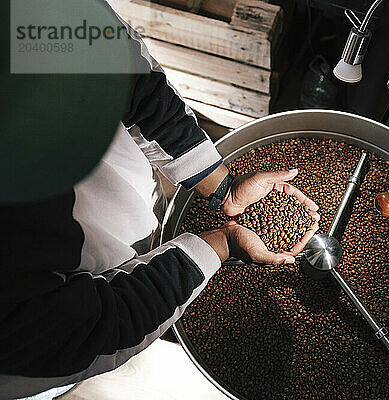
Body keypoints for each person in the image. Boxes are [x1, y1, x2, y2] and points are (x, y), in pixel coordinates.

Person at [0, 2, 319, 398]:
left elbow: (130, 77)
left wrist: (220, 185)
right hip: (67, 335)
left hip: (122, 207)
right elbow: (97, 328)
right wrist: (220, 245)